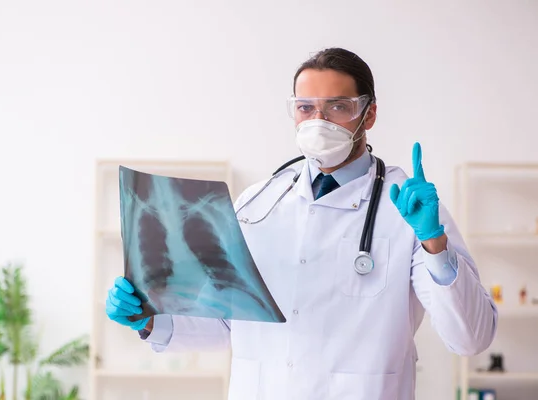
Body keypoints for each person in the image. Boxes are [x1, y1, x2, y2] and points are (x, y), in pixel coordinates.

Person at [105, 47, 498, 399]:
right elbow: (229, 324)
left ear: (369, 114)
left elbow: (470, 338)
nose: (318, 121)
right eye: (306, 107)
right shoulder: (257, 202)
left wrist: (434, 243)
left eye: (338, 107)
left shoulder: (409, 207)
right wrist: (150, 320)